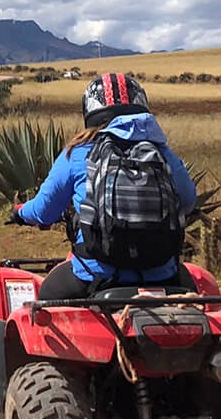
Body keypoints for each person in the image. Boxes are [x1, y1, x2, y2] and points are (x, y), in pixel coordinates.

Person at [11, 73, 197, 300]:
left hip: (96, 276)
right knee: (195, 296)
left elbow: (44, 210)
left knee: (47, 297)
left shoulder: (78, 153)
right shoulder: (163, 153)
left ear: (90, 111)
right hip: (162, 277)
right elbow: (188, 201)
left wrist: (21, 213)